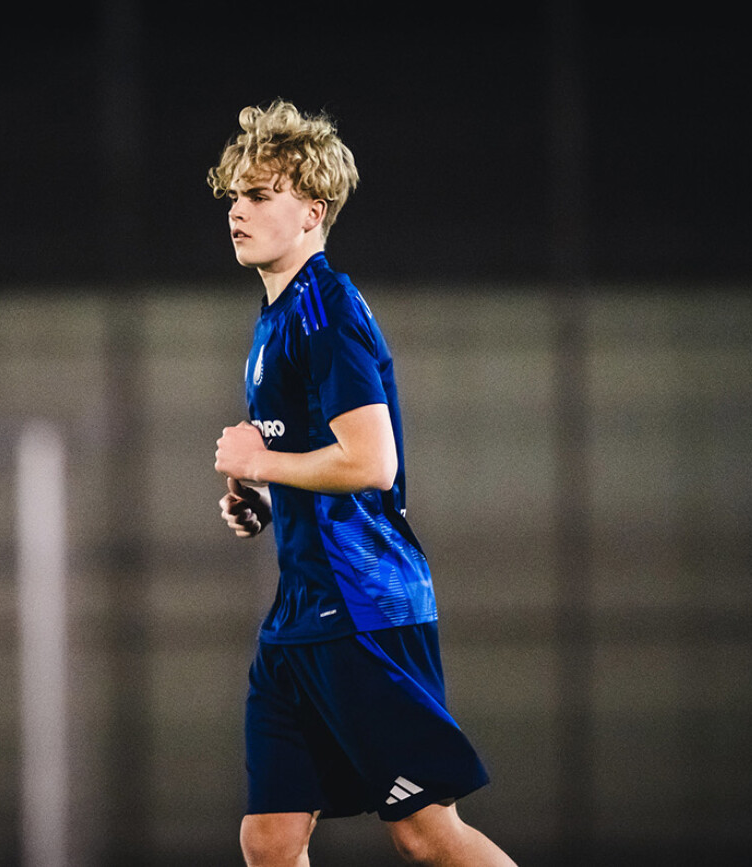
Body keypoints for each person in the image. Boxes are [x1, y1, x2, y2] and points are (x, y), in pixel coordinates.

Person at [210, 100, 517, 867]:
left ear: (311, 212)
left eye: (258, 195)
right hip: (300, 611)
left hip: (360, 605)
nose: (237, 211)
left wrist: (261, 464)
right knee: (270, 836)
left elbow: (370, 463)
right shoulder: (274, 322)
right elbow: (322, 467)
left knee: (424, 830)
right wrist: (264, 500)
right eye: (234, 197)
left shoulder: (327, 309)